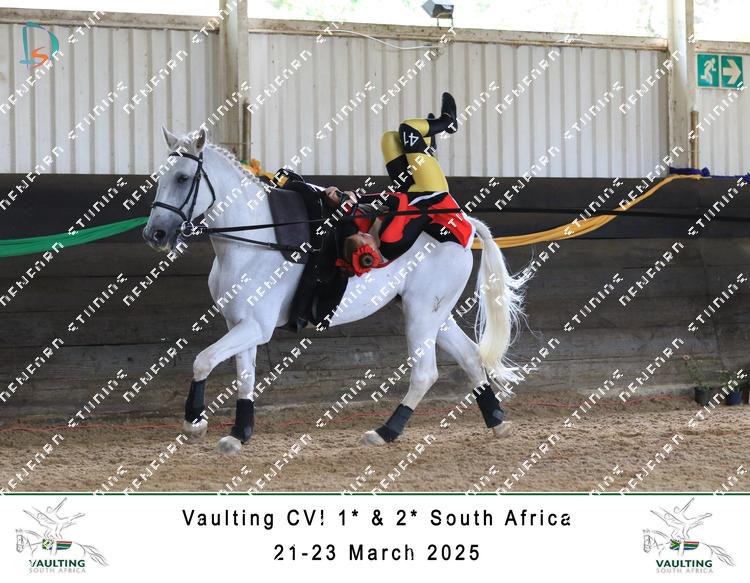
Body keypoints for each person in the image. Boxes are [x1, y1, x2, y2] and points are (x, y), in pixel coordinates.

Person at [324, 92, 474, 274]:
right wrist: (358, 198)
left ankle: (428, 148)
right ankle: (448, 121)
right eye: (362, 237)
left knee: (389, 139)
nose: (361, 233)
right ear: (369, 248)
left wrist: (340, 200)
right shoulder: (388, 241)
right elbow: (398, 200)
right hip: (431, 196)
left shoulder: (369, 238)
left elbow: (354, 212)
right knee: (408, 129)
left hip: (413, 194)